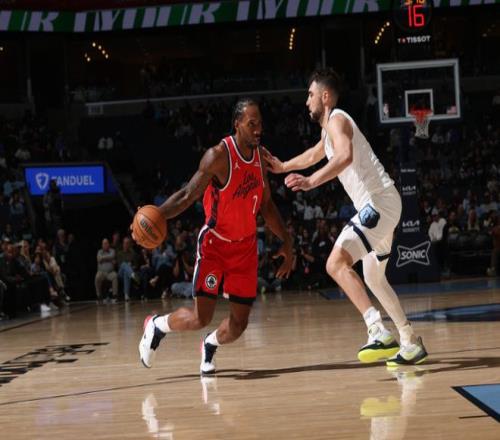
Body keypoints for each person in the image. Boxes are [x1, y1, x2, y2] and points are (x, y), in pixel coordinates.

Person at [263, 68, 427, 366]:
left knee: (335, 263)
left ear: (325, 96)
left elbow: (345, 156)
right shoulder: (329, 130)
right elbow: (314, 154)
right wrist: (283, 166)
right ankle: (410, 340)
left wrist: (311, 181)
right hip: (383, 204)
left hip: (377, 203)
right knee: (373, 278)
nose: (307, 101)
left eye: (311, 95)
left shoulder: (337, 119)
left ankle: (377, 330)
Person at [136, 98, 293, 374]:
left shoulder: (261, 157)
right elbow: (187, 195)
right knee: (201, 317)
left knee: (239, 325)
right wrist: (156, 215)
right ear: (237, 124)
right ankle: (157, 325)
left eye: (260, 124)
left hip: (245, 249)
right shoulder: (218, 155)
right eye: (252, 124)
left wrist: (287, 242)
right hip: (215, 245)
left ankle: (209, 344)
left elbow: (266, 205)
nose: (258, 129)